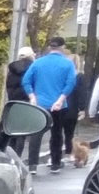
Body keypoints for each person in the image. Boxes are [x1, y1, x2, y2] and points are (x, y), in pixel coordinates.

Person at [24, 36, 79, 171]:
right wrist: (60, 100)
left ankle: (32, 165)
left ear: (49, 47)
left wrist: (32, 97)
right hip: (58, 105)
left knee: (36, 134)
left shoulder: (38, 63)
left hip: (40, 104)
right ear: (62, 48)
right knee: (57, 133)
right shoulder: (67, 64)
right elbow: (70, 83)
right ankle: (55, 163)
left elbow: (25, 80)